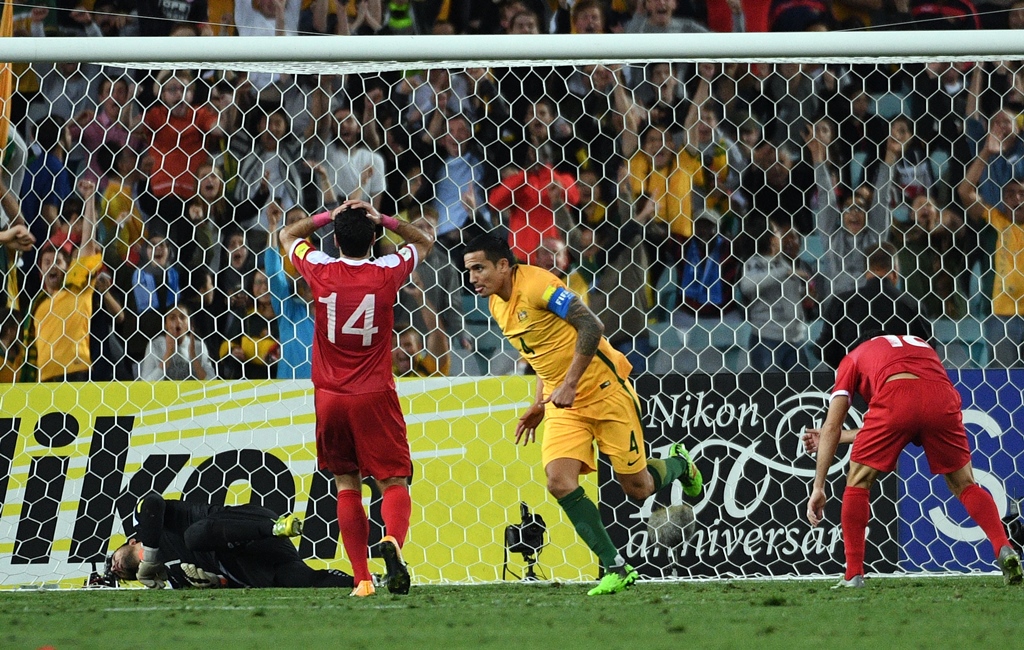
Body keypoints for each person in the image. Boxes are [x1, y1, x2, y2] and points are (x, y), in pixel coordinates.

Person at [462, 234, 702, 596]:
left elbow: (591, 326)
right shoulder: (497, 304)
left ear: (503, 265)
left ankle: (680, 464)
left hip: (605, 393)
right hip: (564, 404)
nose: (473, 278)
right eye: (469, 271)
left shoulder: (541, 285)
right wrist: (540, 403)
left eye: (479, 268)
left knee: (638, 489)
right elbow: (545, 354)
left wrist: (571, 383)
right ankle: (616, 567)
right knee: (559, 481)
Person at [279, 199, 434, 598]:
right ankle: (394, 543)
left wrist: (329, 214)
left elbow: (287, 234)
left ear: (333, 238)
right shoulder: (386, 272)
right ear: (375, 239)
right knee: (393, 479)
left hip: (330, 398)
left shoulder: (320, 268)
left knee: (346, 483)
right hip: (374, 394)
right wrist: (380, 216)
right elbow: (425, 240)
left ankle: (362, 580)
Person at [804, 332, 1022, 587]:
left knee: (858, 479)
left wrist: (818, 486)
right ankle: (1003, 547)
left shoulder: (852, 358)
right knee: (965, 484)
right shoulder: (918, 344)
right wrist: (840, 438)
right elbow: (916, 403)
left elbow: (833, 425)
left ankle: (853, 574)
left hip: (895, 395)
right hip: (942, 397)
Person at [107, 493, 354, 589]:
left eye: (114, 560)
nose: (116, 569)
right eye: (120, 575)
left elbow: (153, 502)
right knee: (298, 580)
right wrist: (217, 583)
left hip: (245, 525)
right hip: (247, 561)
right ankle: (366, 581)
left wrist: (149, 557)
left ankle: (275, 527)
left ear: (130, 541)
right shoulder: (173, 576)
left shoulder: (147, 521)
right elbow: (221, 583)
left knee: (194, 536)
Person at [816, 245, 931, 370]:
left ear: (866, 271)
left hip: (854, 383)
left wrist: (850, 369)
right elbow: (928, 349)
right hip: (897, 381)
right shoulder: (911, 304)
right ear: (895, 270)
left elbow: (825, 350)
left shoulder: (842, 303)